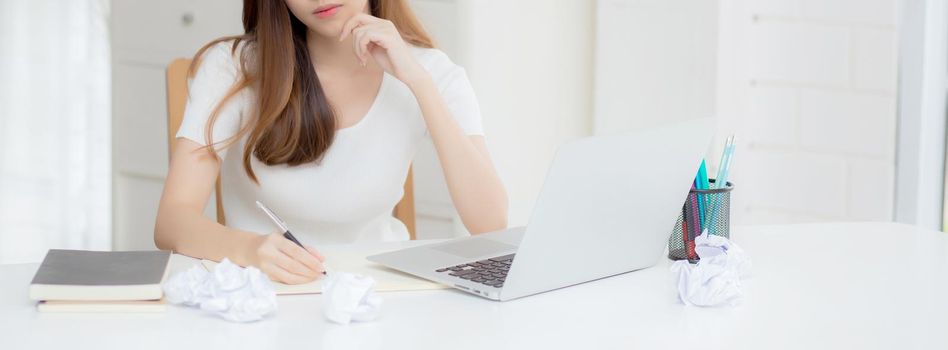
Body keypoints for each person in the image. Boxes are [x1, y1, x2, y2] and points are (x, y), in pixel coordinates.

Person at [154, 0, 508, 284]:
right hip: (266, 294)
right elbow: (171, 221)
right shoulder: (234, 69)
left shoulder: (432, 73)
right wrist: (250, 250)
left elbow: (489, 222)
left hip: (381, 293)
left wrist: (418, 81)